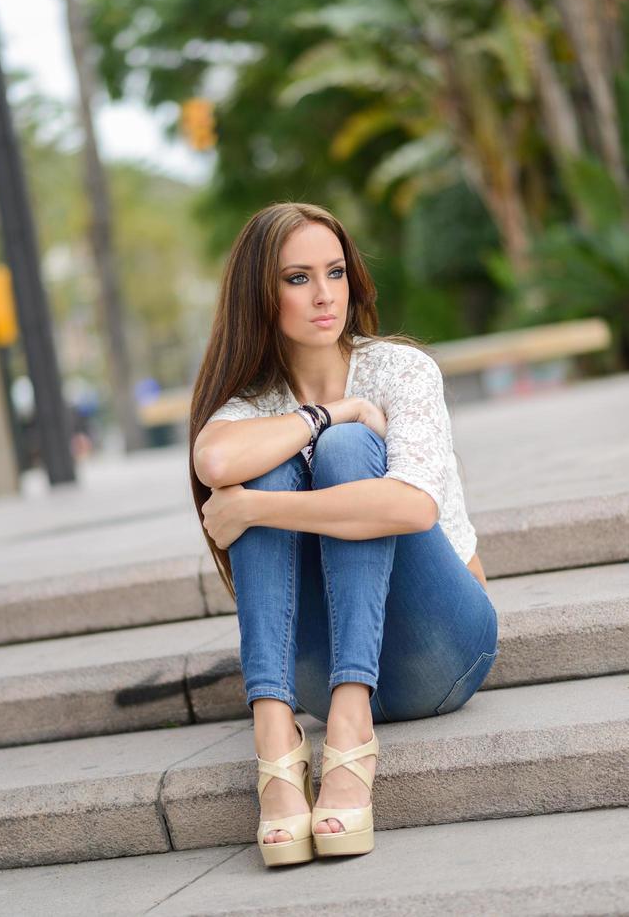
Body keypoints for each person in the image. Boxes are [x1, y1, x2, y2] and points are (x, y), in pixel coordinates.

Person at [189, 202, 498, 868]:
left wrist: (258, 510)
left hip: (442, 643)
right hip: (313, 675)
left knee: (348, 449)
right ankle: (275, 741)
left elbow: (414, 508)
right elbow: (214, 463)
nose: (325, 294)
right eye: (297, 278)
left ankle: (351, 731)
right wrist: (328, 411)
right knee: (278, 458)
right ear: (260, 296)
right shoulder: (252, 406)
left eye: (335, 272)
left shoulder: (400, 369)